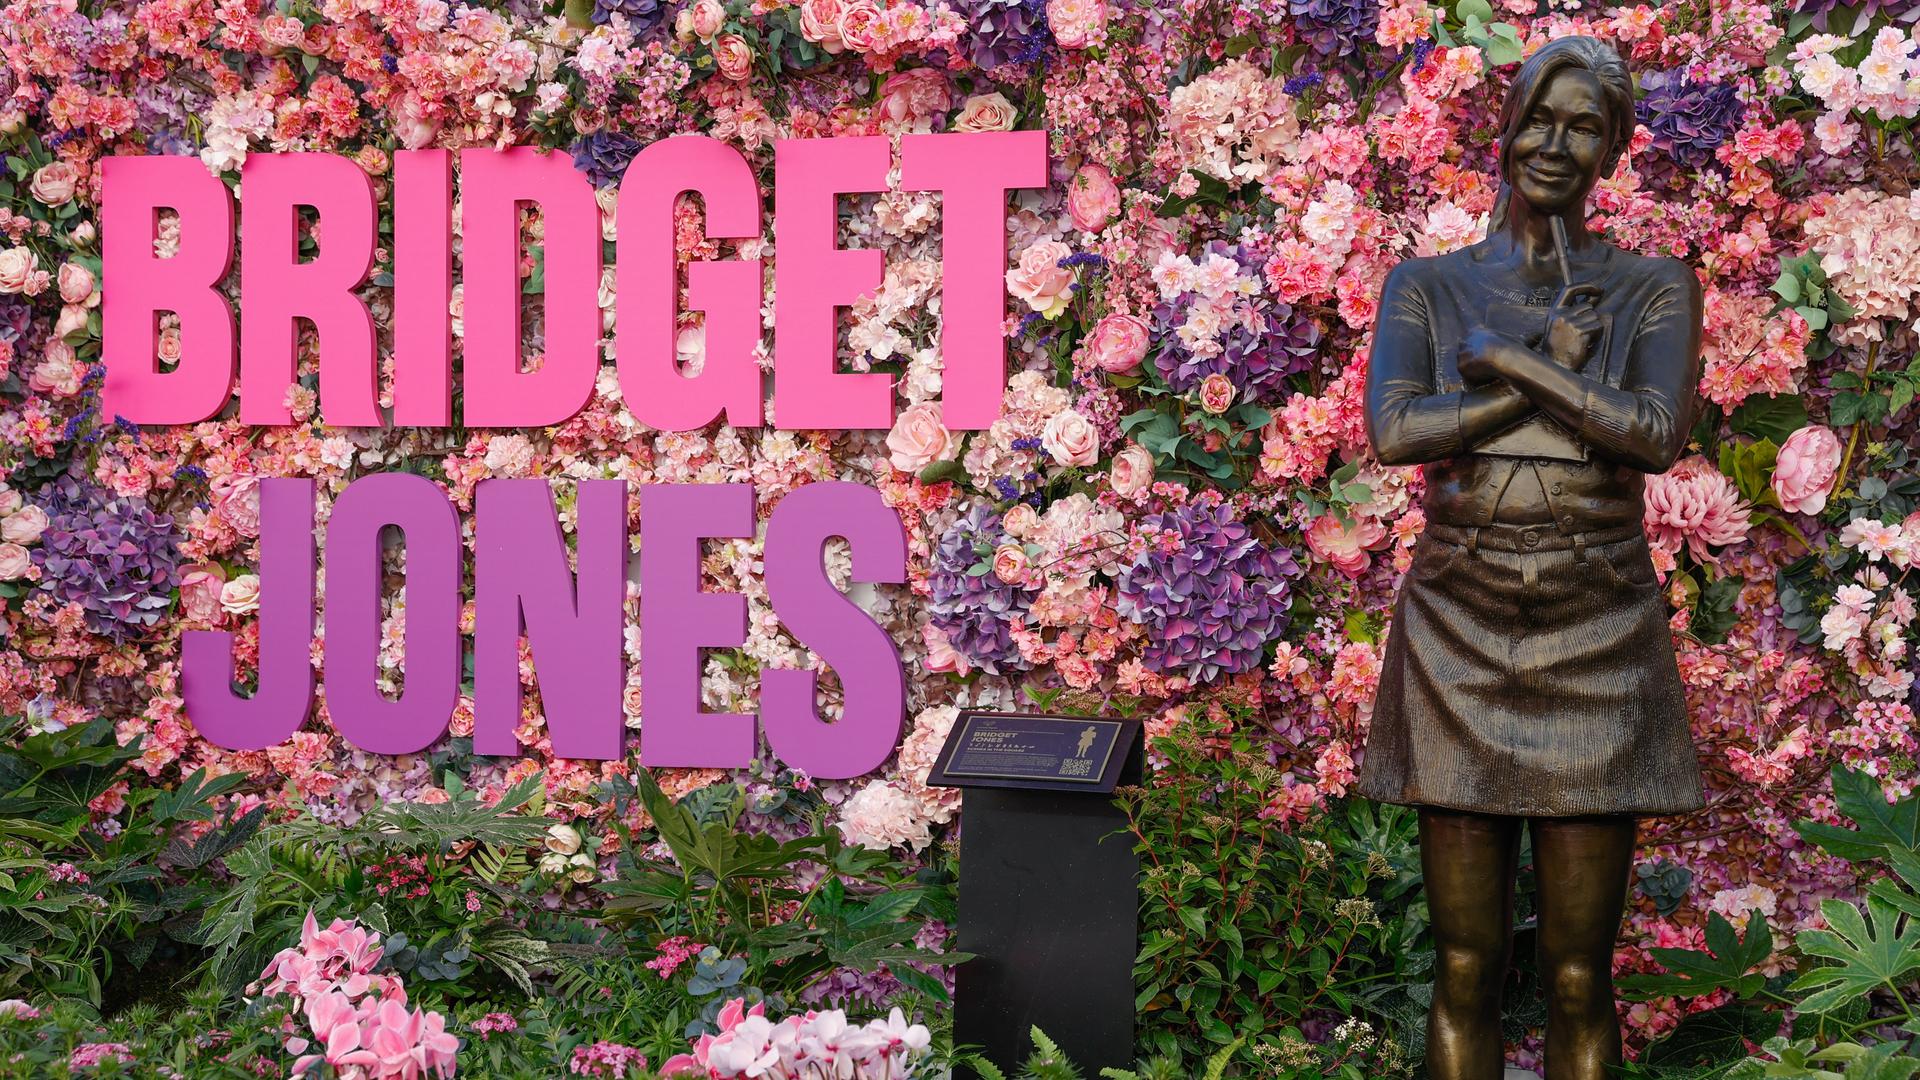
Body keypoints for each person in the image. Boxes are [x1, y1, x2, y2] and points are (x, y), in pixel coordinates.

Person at [1352, 35, 1707, 1080]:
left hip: (1598, 621)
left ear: (1612, 150)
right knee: (1465, 966)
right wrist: (1551, 380)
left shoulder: (1651, 287)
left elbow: (1653, 436)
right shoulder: (1427, 286)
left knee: (1578, 977)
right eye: (1541, 118)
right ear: (1505, 127)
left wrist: (1508, 364)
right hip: (1458, 622)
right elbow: (1398, 432)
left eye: (1583, 126)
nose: (1556, 144)